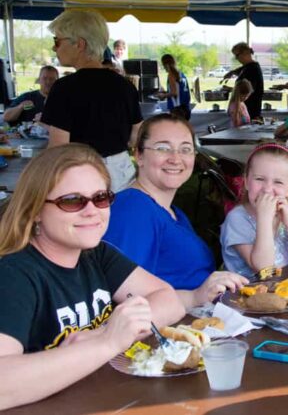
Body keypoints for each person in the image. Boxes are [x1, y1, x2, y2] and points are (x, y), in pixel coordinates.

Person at [0, 144, 184, 410]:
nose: (91, 211)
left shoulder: (95, 254)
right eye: (73, 201)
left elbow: (168, 300)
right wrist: (108, 342)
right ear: (35, 210)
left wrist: (104, 334)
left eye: (100, 197)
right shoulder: (14, 274)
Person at [103, 114, 248, 309]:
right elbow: (127, 297)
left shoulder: (173, 211)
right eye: (163, 148)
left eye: (185, 149)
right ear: (139, 156)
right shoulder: (133, 210)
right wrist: (195, 296)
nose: (175, 158)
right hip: (172, 330)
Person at [41, 10, 143, 193]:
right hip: (122, 174)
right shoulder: (125, 86)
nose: (54, 48)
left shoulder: (64, 88)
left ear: (79, 44)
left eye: (57, 41)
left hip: (81, 176)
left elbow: (58, 148)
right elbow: (136, 137)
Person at [221, 143, 288, 279]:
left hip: (282, 288)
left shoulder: (286, 213)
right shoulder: (237, 219)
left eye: (278, 182)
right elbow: (263, 268)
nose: (267, 189)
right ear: (246, 181)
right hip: (246, 293)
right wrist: (264, 218)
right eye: (259, 179)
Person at [223, 42, 264, 120]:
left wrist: (231, 89)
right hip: (247, 110)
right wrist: (232, 72)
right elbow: (241, 69)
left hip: (250, 111)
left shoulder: (252, 69)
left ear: (245, 53)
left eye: (237, 56)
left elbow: (247, 90)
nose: (236, 58)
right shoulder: (249, 67)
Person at [158, 54, 192, 120]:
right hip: (185, 107)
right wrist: (165, 92)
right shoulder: (181, 73)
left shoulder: (171, 74)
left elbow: (174, 93)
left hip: (177, 109)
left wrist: (163, 96)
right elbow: (179, 90)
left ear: (166, 64)